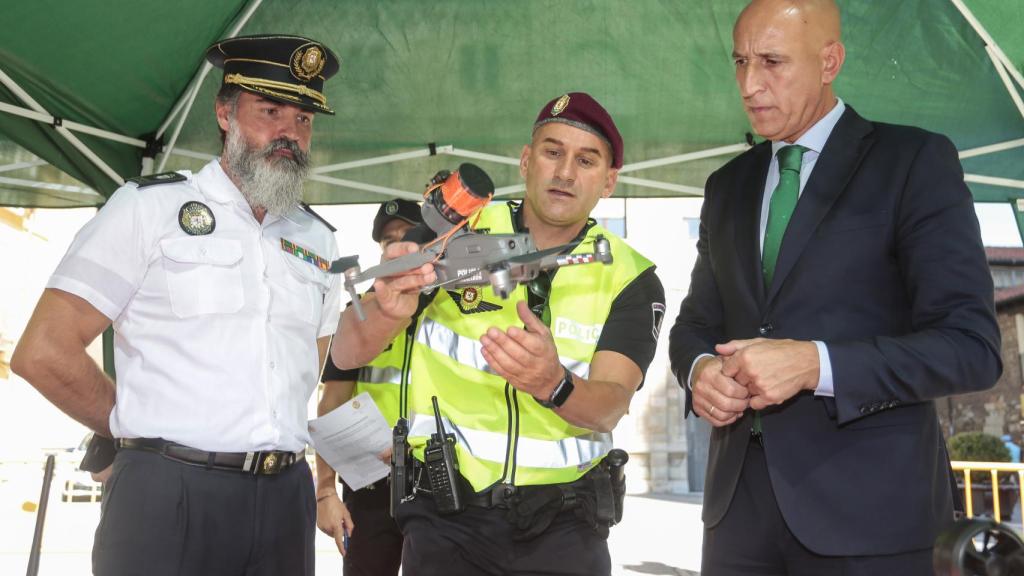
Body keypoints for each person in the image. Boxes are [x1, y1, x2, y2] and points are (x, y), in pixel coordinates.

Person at [10, 34, 431, 576]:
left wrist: (389, 311)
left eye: (304, 119)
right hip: (167, 492)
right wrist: (130, 431)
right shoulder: (150, 209)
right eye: (271, 111)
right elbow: (43, 351)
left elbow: (336, 353)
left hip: (284, 498)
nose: (290, 132)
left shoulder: (316, 237)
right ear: (224, 113)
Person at [668, 1, 1002, 574]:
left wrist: (813, 364)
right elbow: (694, 325)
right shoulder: (727, 186)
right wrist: (699, 370)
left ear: (830, 61)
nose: (750, 84)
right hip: (735, 520)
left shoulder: (913, 161)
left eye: (772, 61)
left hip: (873, 519)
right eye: (741, 62)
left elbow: (971, 349)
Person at [384, 92, 665, 576]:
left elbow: (611, 404)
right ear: (526, 160)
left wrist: (553, 383)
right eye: (553, 152)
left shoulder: (631, 276)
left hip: (566, 528)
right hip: (446, 522)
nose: (565, 172)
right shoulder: (454, 236)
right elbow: (357, 341)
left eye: (586, 160)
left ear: (609, 181)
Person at [316, 198, 424, 575]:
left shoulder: (454, 305)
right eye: (387, 239)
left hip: (439, 484)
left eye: (407, 234)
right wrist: (326, 490)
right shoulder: (358, 313)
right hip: (370, 482)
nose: (396, 245)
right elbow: (330, 406)